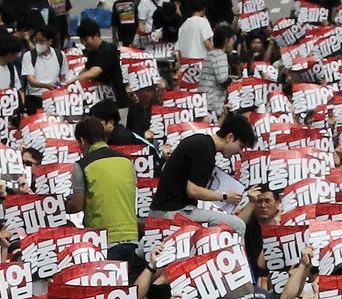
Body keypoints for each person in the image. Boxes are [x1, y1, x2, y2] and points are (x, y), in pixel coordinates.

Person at [148, 111, 256, 234]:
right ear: (230, 137)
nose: (240, 152)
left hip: (169, 210)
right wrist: (225, 196)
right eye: (241, 146)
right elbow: (193, 190)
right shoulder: (204, 150)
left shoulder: (201, 142)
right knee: (238, 225)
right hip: (170, 212)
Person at [69, 115, 139, 257]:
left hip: (103, 240)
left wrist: (60, 205)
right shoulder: (126, 161)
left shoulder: (82, 166)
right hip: (132, 236)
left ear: (82, 141)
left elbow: (76, 205)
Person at [76, 14, 125, 105]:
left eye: (85, 39)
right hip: (102, 98)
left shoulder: (107, 49)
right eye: (82, 40)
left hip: (116, 99)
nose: (84, 43)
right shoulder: (93, 51)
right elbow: (86, 70)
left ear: (95, 35)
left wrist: (71, 81)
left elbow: (93, 72)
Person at [175, 0, 212, 64]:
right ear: (204, 8)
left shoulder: (184, 25)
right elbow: (208, 44)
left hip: (184, 61)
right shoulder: (203, 22)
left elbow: (178, 48)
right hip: (199, 61)